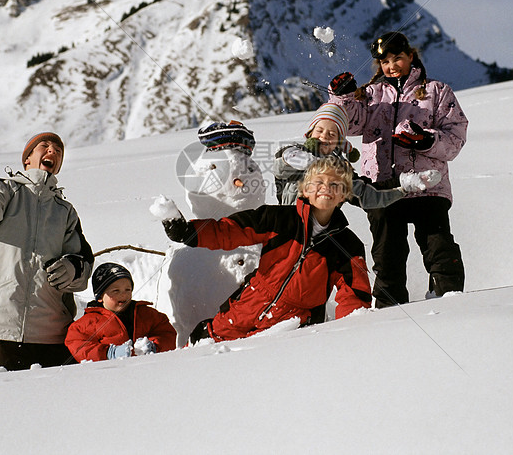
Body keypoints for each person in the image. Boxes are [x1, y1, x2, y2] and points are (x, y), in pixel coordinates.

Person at [161, 156, 372, 343]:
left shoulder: (348, 245)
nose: (325, 188)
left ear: (344, 194)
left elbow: (354, 296)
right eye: (318, 182)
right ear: (305, 189)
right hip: (245, 306)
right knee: (208, 342)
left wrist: (349, 337)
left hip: (294, 325)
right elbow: (231, 231)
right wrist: (188, 233)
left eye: (335, 184)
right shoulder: (279, 219)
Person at [329, 31, 468, 305]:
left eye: (398, 58)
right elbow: (349, 122)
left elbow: (456, 138)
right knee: (387, 255)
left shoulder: (436, 92)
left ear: (411, 56)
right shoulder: (370, 95)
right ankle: (389, 311)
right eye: (385, 62)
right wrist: (342, 97)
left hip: (428, 187)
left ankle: (451, 300)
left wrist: (426, 140)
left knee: (438, 245)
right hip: (382, 189)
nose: (392, 66)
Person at [0, 129, 94, 373]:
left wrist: (71, 269)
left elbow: (82, 262)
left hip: (50, 332)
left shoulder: (65, 212)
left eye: (58, 151)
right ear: (27, 159)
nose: (53, 151)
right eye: (45, 146)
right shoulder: (5, 192)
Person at [273, 102, 441, 207]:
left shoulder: (340, 170)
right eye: (319, 131)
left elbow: (367, 196)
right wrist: (317, 165)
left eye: (332, 135)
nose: (324, 136)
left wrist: (404, 185)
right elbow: (280, 167)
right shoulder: (295, 152)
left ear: (340, 142)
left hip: (323, 229)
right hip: (290, 224)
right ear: (310, 133)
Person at [65, 263, 177, 361]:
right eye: (116, 291)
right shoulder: (90, 321)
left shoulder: (146, 314)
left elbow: (167, 333)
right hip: (111, 375)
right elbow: (78, 344)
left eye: (127, 290)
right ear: (100, 297)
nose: (123, 295)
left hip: (147, 370)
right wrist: (108, 353)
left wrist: (155, 346)